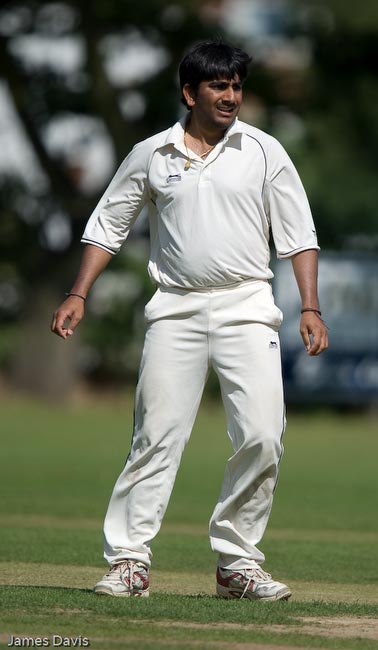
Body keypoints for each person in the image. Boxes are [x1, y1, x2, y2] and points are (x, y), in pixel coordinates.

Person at [51, 41, 328, 601]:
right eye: (218, 86)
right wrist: (79, 292)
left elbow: (299, 235)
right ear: (189, 93)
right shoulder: (152, 153)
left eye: (236, 86)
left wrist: (310, 306)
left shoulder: (264, 150)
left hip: (247, 305)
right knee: (155, 436)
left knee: (262, 435)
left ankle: (237, 564)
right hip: (175, 307)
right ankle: (129, 561)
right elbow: (109, 224)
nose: (230, 96)